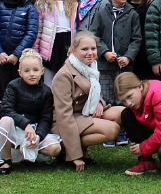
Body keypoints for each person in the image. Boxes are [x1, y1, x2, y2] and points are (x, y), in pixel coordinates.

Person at [50, 31, 121, 169]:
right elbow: (63, 115)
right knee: (112, 130)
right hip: (66, 119)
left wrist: (99, 103)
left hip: (85, 112)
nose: (90, 53)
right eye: (84, 49)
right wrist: (75, 156)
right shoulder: (64, 75)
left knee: (121, 113)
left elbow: (93, 91)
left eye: (93, 49)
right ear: (73, 51)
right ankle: (69, 149)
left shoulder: (91, 67)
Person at [79, 0, 143, 118]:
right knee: (107, 96)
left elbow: (137, 39)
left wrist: (128, 56)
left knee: (123, 95)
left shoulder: (132, 14)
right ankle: (109, 125)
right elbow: (94, 35)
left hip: (124, 65)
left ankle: (123, 128)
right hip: (105, 65)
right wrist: (104, 52)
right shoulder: (102, 13)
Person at [0, 49, 63, 173]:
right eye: (27, 71)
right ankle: (6, 160)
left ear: (42, 71)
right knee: (6, 121)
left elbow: (46, 118)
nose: (32, 74)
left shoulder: (46, 92)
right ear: (20, 73)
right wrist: (25, 124)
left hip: (34, 131)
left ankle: (30, 153)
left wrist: (38, 136)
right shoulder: (13, 86)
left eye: (35, 70)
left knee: (55, 148)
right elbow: (6, 109)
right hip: (16, 128)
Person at [33, 0, 77, 85]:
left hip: (67, 41)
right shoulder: (42, 3)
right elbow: (39, 29)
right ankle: (49, 100)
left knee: (66, 75)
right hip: (50, 43)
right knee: (49, 77)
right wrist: (36, 50)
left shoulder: (73, 2)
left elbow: (75, 26)